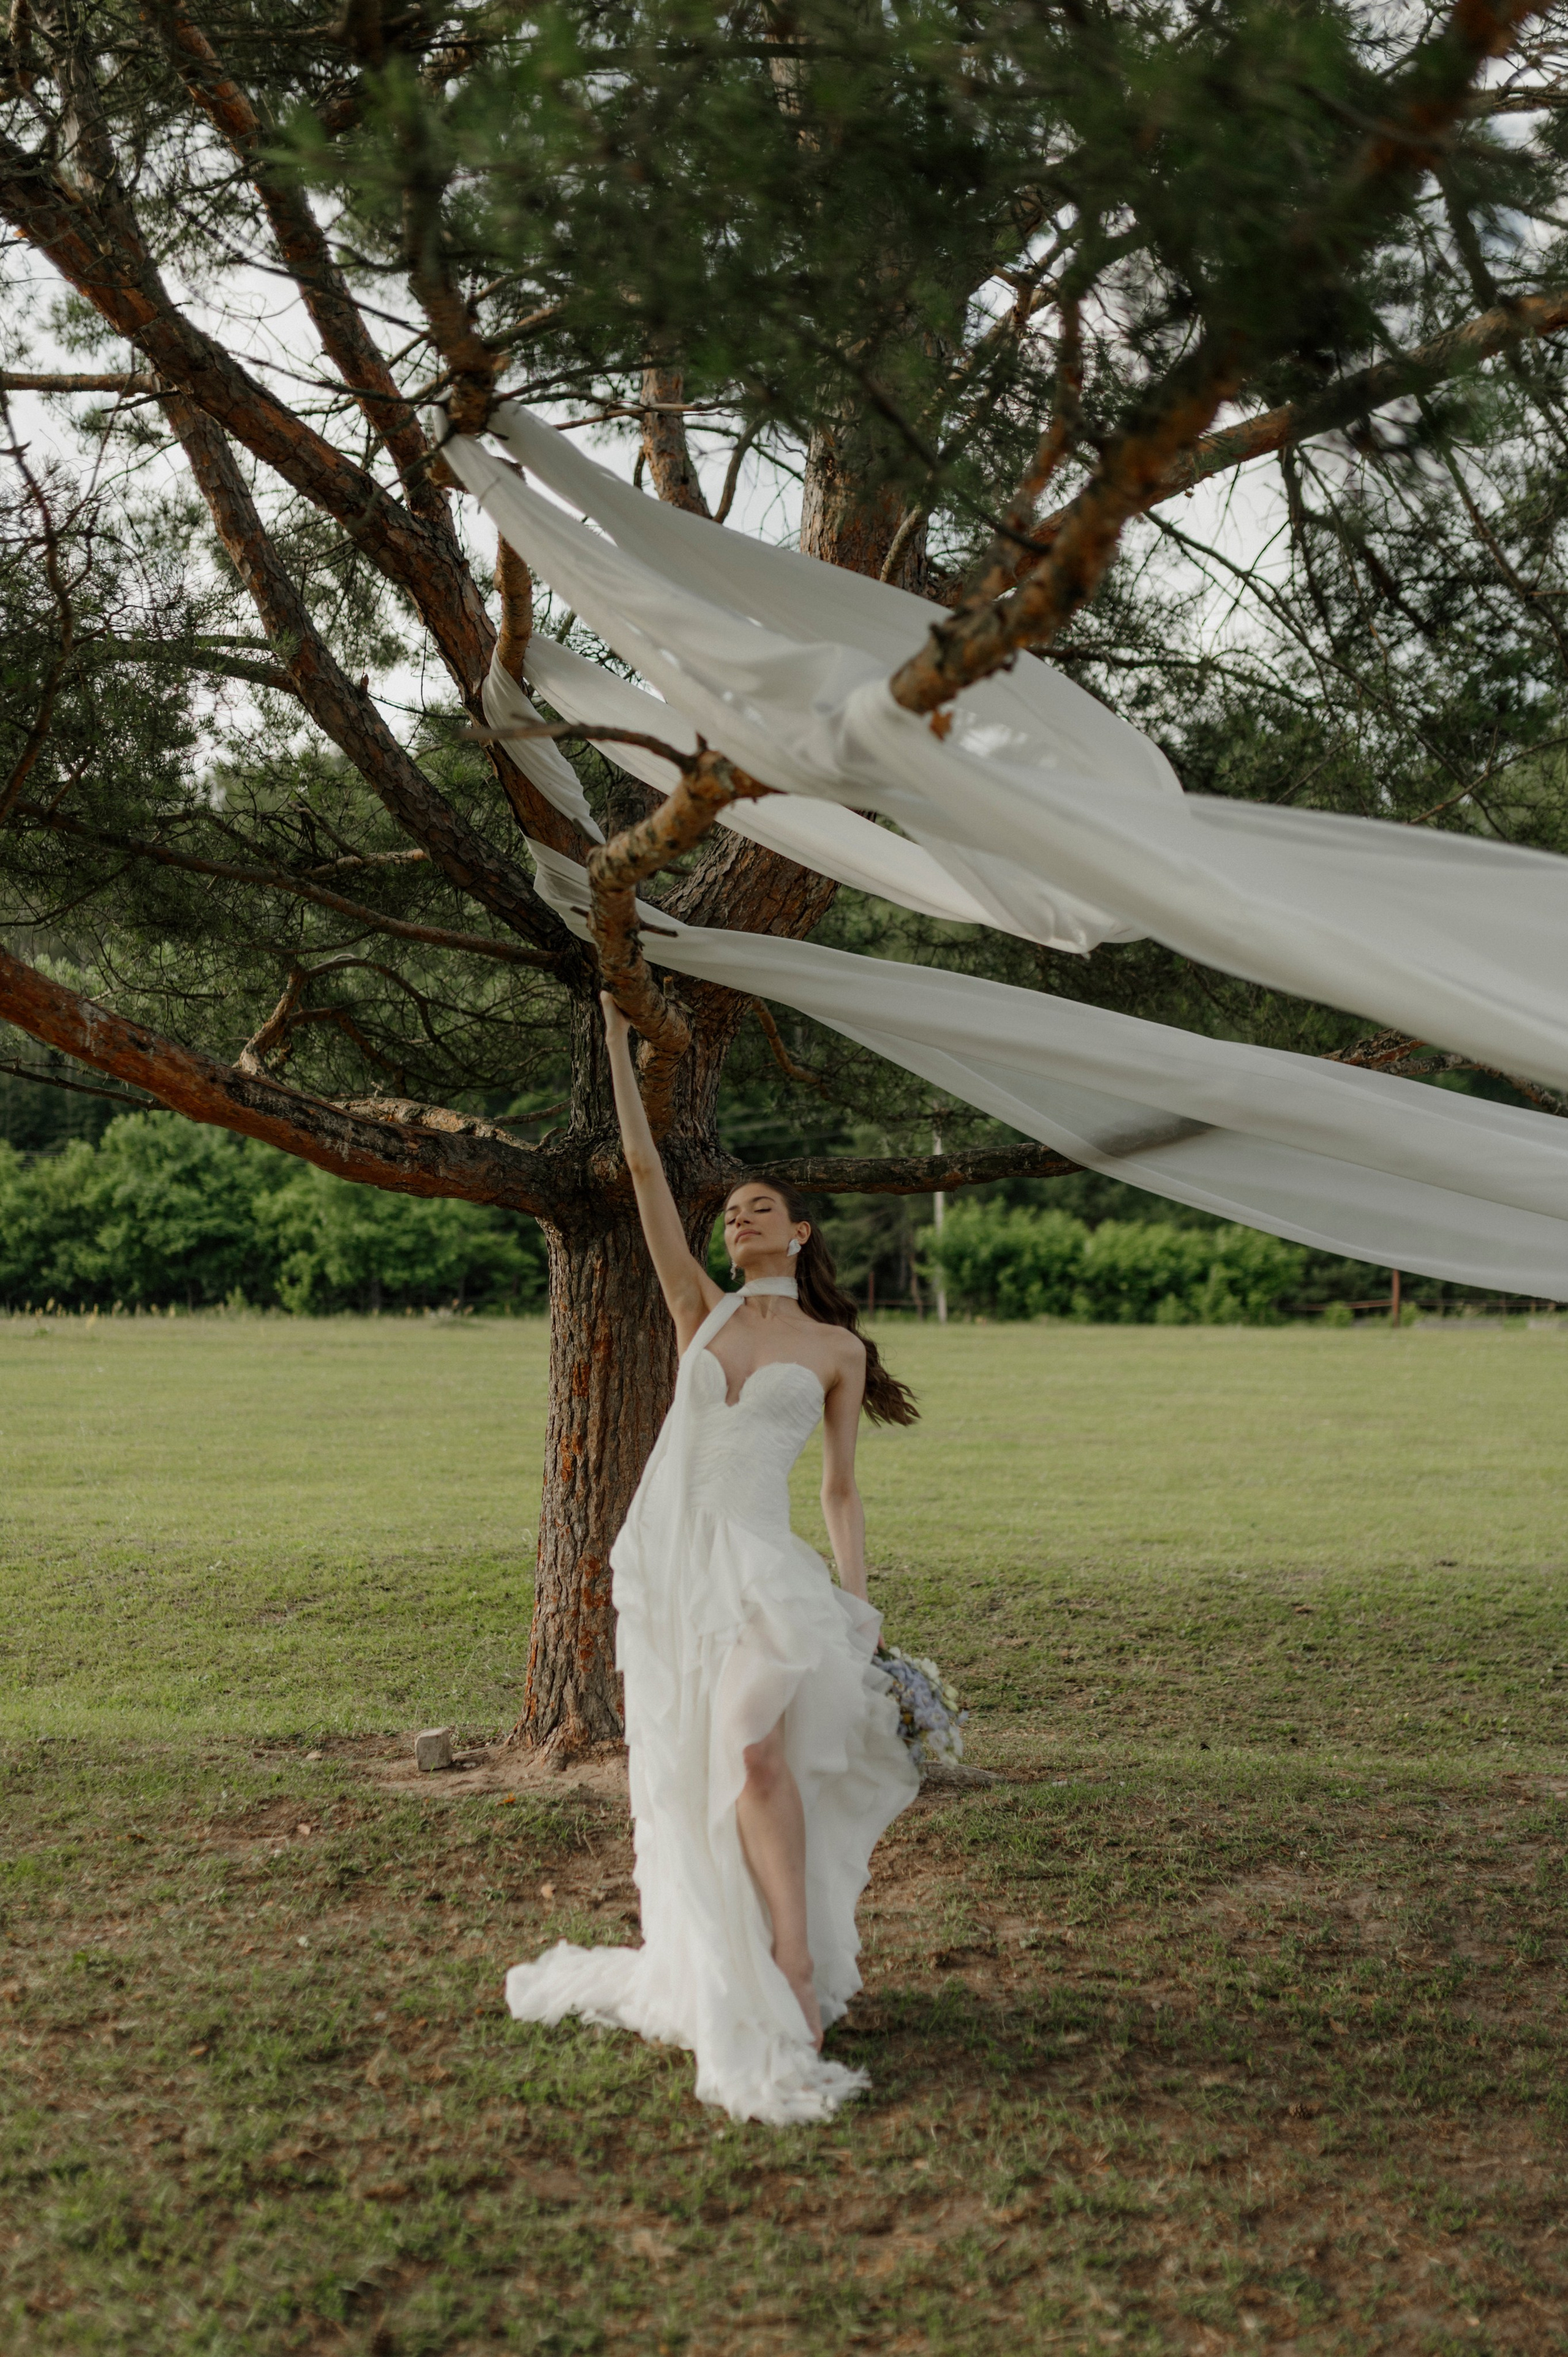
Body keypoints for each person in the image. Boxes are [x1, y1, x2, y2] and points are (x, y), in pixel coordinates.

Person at [503, 993, 921, 2123]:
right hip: (676, 1572)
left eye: (760, 1207)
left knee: (752, 1756)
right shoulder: (701, 1313)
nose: (740, 1218)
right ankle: (736, 1954)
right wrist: (612, 1049)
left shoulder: (838, 1349)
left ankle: (792, 1966)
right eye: (731, 1209)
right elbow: (642, 1175)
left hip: (763, 1575)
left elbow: (839, 1490)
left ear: (801, 1235)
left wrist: (858, 1612)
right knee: (703, 1776)